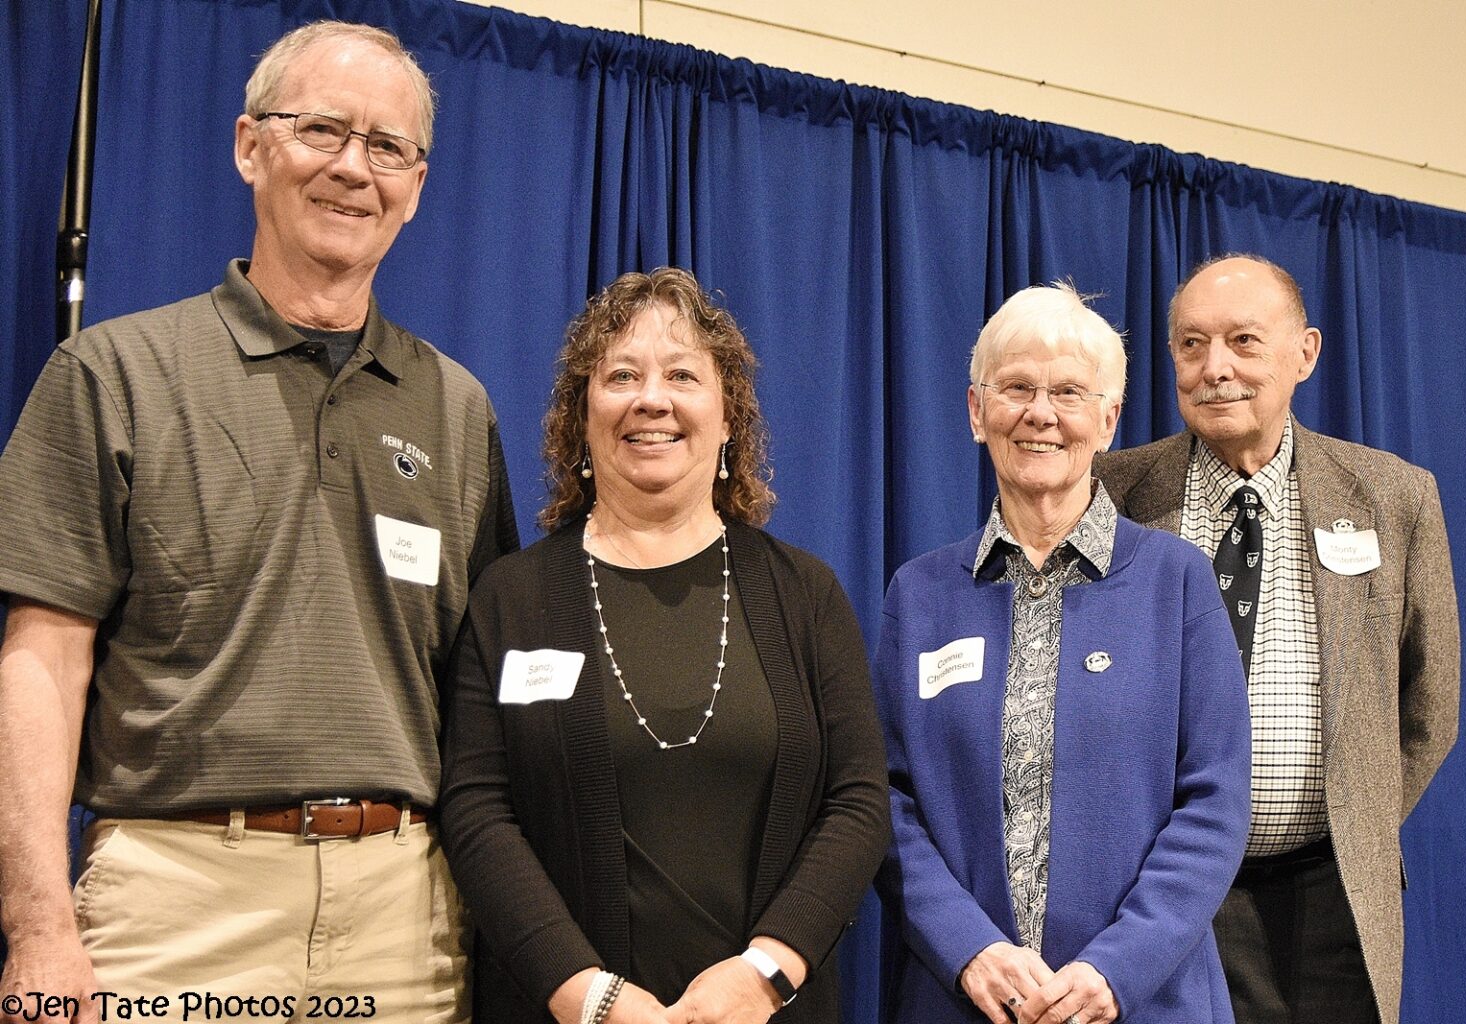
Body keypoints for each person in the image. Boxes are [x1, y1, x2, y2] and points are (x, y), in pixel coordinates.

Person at [0, 21, 516, 1023]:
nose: (353, 168)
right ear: (250, 145)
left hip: (405, 921)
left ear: (416, 186)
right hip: (173, 910)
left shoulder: (458, 410)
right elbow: (42, 665)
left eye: (387, 146)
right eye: (322, 129)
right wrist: (37, 928)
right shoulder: (113, 374)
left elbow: (477, 702)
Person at [438, 267, 890, 1024]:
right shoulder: (510, 599)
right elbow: (477, 810)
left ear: (728, 417)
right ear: (581, 418)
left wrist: (763, 975)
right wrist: (588, 996)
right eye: (622, 375)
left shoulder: (805, 594)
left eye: (682, 374)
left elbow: (858, 802)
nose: (652, 399)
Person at [1095, 254, 1459, 1024]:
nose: (1215, 368)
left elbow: (1430, 707)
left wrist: (1354, 821)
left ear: (1305, 352)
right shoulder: (1112, 495)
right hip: (1155, 893)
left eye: (1243, 341)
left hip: (1330, 899)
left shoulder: (1393, 497)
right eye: (1192, 345)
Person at [875, 283, 1251, 1024]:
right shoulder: (918, 595)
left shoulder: (1178, 581)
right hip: (964, 1001)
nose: (1040, 413)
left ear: (1108, 420)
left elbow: (1216, 800)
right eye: (1016, 387)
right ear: (976, 411)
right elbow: (884, 801)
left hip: (1146, 1001)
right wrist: (968, 950)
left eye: (1070, 393)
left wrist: (1116, 969)